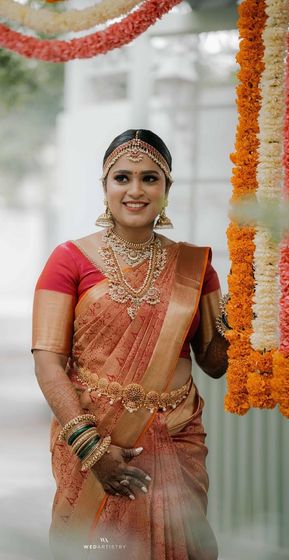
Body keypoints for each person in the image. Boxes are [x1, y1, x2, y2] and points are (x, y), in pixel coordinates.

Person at [31, 129, 229, 560]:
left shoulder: (197, 266)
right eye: (122, 177)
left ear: (167, 188)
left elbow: (214, 364)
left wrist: (241, 316)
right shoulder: (68, 259)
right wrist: (92, 449)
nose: (135, 190)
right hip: (93, 439)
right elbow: (48, 363)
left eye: (149, 178)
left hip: (177, 440)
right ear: (105, 187)